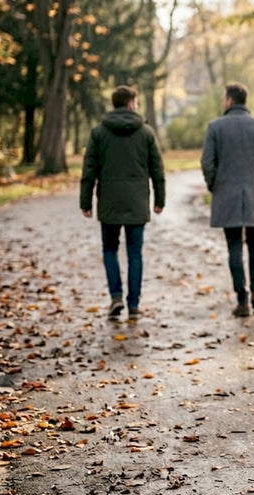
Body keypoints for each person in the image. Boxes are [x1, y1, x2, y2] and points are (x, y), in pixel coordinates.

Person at [201, 82, 254, 318]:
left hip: (226, 194)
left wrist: (214, 184)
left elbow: (207, 162)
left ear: (229, 100)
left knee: (234, 246)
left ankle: (242, 298)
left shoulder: (215, 127)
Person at [80, 85, 166, 321]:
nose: (136, 106)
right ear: (130, 103)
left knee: (110, 249)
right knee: (135, 253)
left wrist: (85, 201)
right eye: (135, 102)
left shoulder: (99, 132)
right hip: (137, 202)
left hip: (109, 202)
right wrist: (160, 199)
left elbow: (89, 169)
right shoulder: (146, 133)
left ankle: (116, 296)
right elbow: (157, 169)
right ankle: (134, 304)